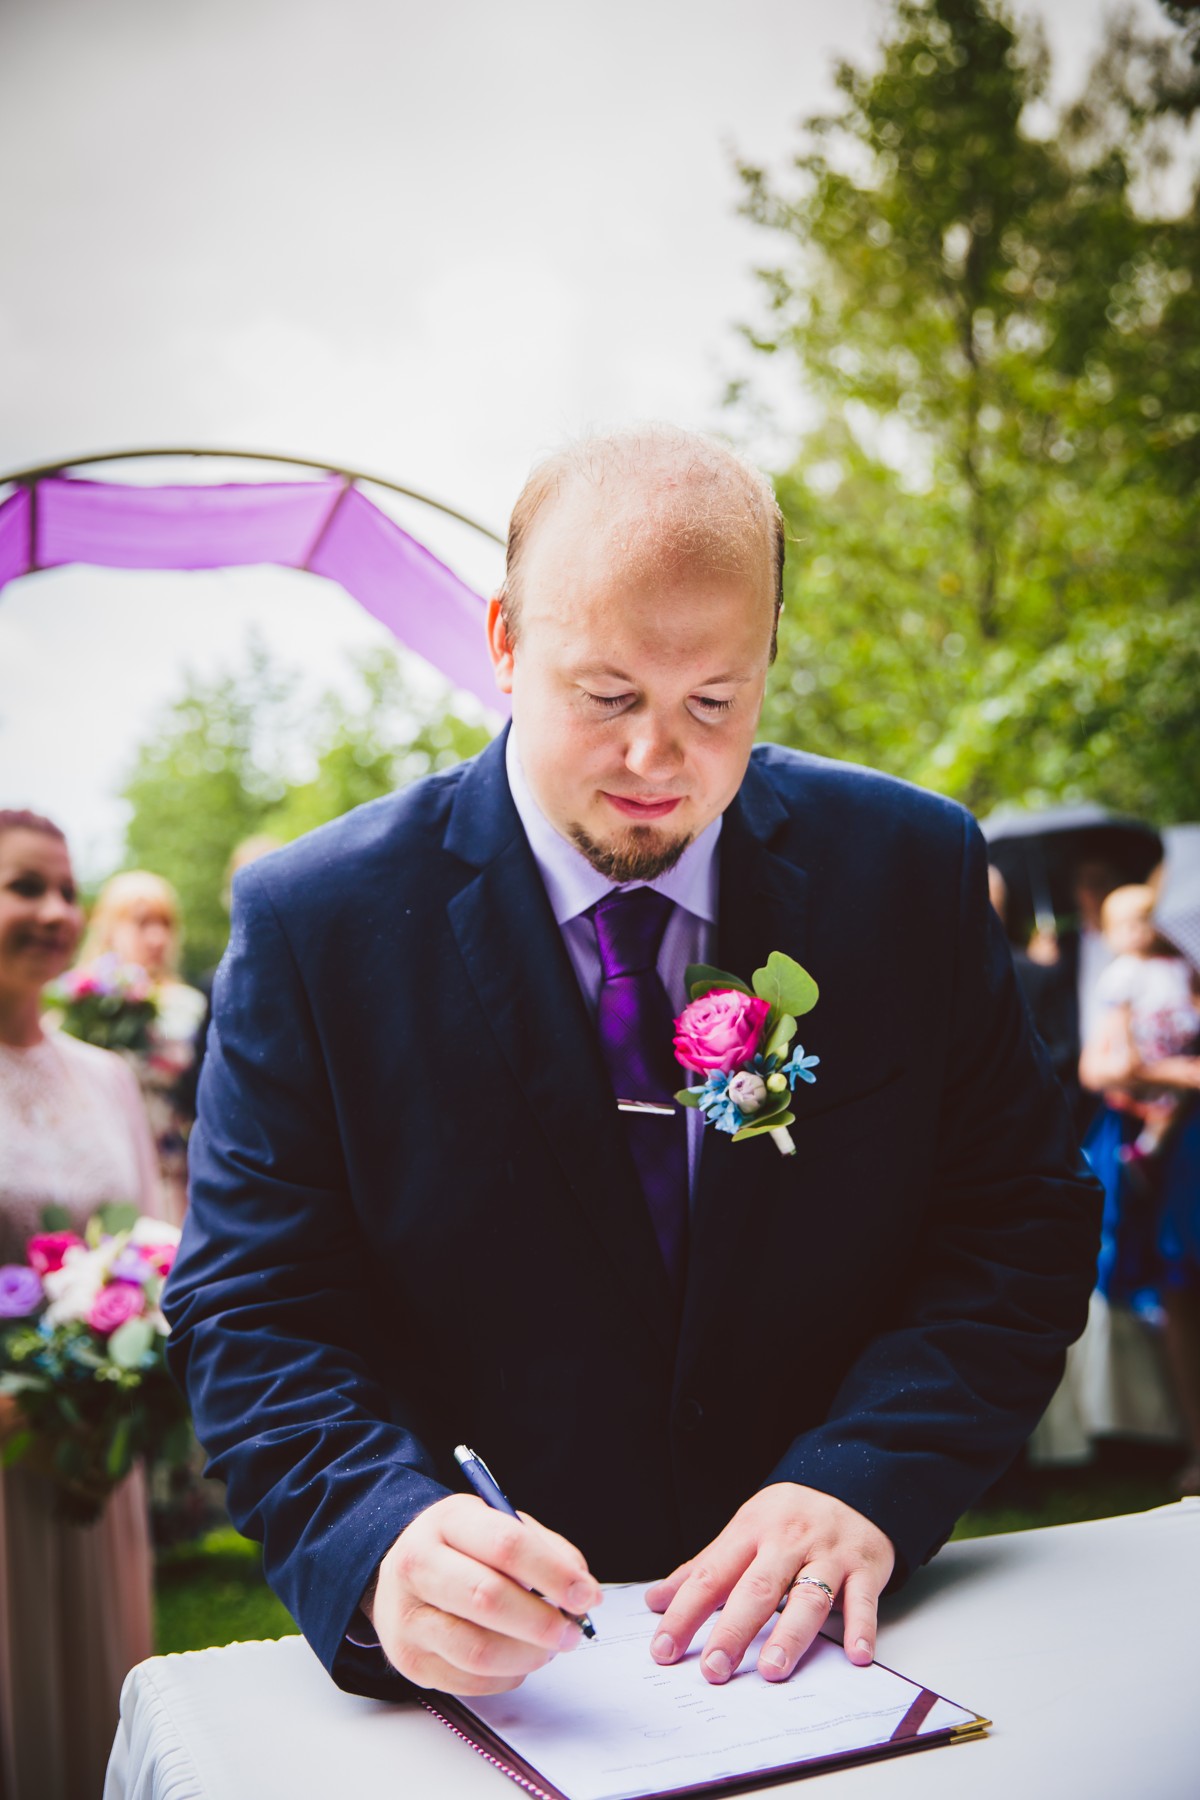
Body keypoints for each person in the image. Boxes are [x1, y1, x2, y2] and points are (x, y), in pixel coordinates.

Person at [166, 427, 1100, 1707]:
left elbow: (1019, 1216)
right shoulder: (316, 924)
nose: (658, 761)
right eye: (606, 696)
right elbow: (256, 1307)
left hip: (846, 1648)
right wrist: (377, 1533)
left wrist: (866, 1473)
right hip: (512, 1689)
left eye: (715, 701)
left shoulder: (907, 870)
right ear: (504, 642)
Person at [0, 810, 164, 1799]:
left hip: (95, 1456)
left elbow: (150, 1245)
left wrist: (129, 1366)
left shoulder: (107, 1080)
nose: (57, 911)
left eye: (67, 889)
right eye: (25, 887)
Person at [77, 870, 206, 1224]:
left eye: (165, 924)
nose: (157, 937)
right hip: (107, 1172)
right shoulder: (76, 1004)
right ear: (109, 927)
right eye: (142, 922)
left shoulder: (189, 1007)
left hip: (180, 1173)